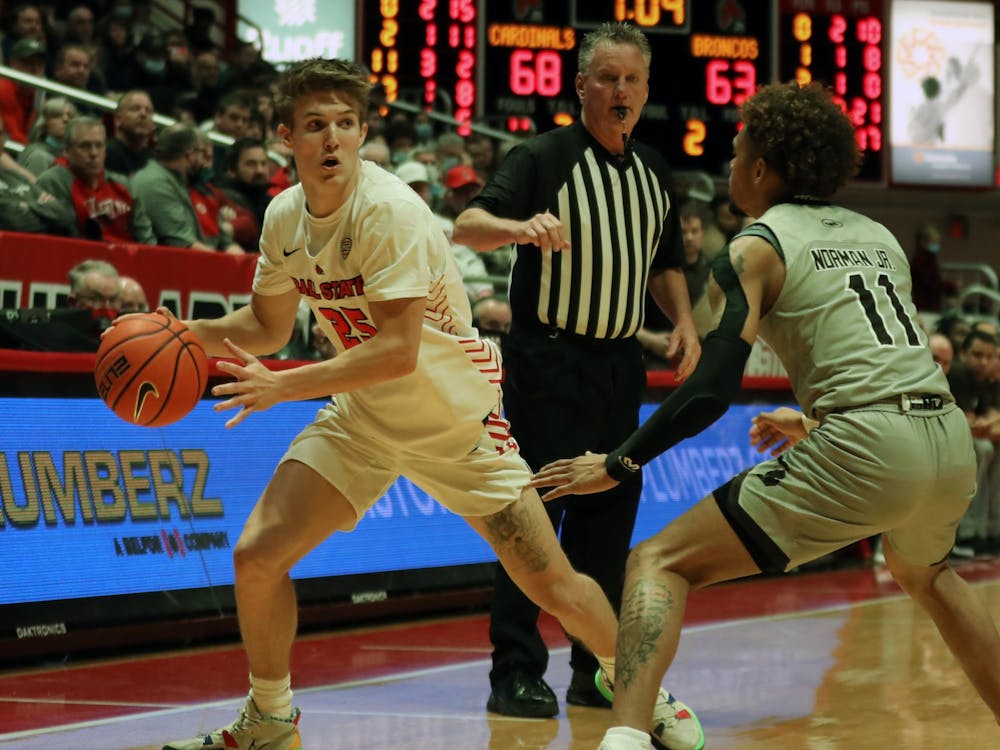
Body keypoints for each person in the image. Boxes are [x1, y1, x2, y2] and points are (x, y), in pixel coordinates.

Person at [153, 56, 698, 750]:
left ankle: (649, 693)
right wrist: (185, 332)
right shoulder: (284, 216)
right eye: (315, 126)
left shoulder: (390, 210)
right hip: (362, 418)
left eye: (345, 125)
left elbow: (397, 351)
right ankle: (270, 716)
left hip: (452, 422)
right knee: (257, 556)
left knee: (556, 587)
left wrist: (283, 384)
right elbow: (265, 325)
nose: (332, 140)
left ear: (361, 133)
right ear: (285, 138)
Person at [529, 80, 1000, 750]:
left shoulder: (757, 244)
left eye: (737, 148)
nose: (728, 164)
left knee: (660, 561)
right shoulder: (879, 236)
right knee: (929, 573)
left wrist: (619, 460)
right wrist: (813, 423)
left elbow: (710, 389)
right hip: (945, 438)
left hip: (870, 443)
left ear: (759, 166)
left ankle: (626, 739)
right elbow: (890, 364)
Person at [453, 21, 700, 722]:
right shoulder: (543, 157)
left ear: (647, 90)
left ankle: (595, 667)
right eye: (608, 78)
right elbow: (468, 224)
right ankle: (515, 671)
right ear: (581, 85)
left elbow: (665, 266)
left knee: (608, 521)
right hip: (548, 359)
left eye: (632, 80)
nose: (621, 91)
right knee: (533, 517)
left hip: (620, 366)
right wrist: (518, 229)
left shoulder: (655, 170)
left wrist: (682, 321)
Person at [36, 115, 155, 244]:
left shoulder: (123, 184)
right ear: (66, 151)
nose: (93, 153)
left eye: (99, 145)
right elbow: (64, 240)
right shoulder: (53, 182)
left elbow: (146, 239)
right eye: (85, 146)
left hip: (128, 257)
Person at [130, 122, 243, 253]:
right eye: (202, 153)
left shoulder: (185, 181)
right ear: (190, 154)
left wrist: (238, 259)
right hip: (171, 264)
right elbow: (183, 242)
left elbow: (221, 238)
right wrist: (227, 265)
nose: (205, 163)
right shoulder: (154, 182)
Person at [947, 329, 1000, 558]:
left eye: (989, 357)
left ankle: (987, 529)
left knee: (989, 448)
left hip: (964, 441)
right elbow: (972, 426)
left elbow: (988, 421)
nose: (983, 362)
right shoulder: (959, 373)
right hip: (941, 442)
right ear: (962, 353)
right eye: (977, 355)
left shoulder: (981, 379)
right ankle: (966, 532)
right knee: (982, 448)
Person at [0, 38, 48, 144]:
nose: (35, 68)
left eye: (39, 64)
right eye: (28, 63)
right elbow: (13, 135)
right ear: (13, 64)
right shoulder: (3, 89)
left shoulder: (39, 94)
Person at [17, 96, 77, 176]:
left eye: (70, 116)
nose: (66, 119)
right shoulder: (39, 156)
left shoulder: (74, 158)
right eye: (57, 115)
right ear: (45, 124)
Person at [104, 89, 155, 176]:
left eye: (148, 110)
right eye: (135, 109)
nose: (143, 114)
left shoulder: (153, 160)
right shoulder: (105, 154)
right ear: (118, 120)